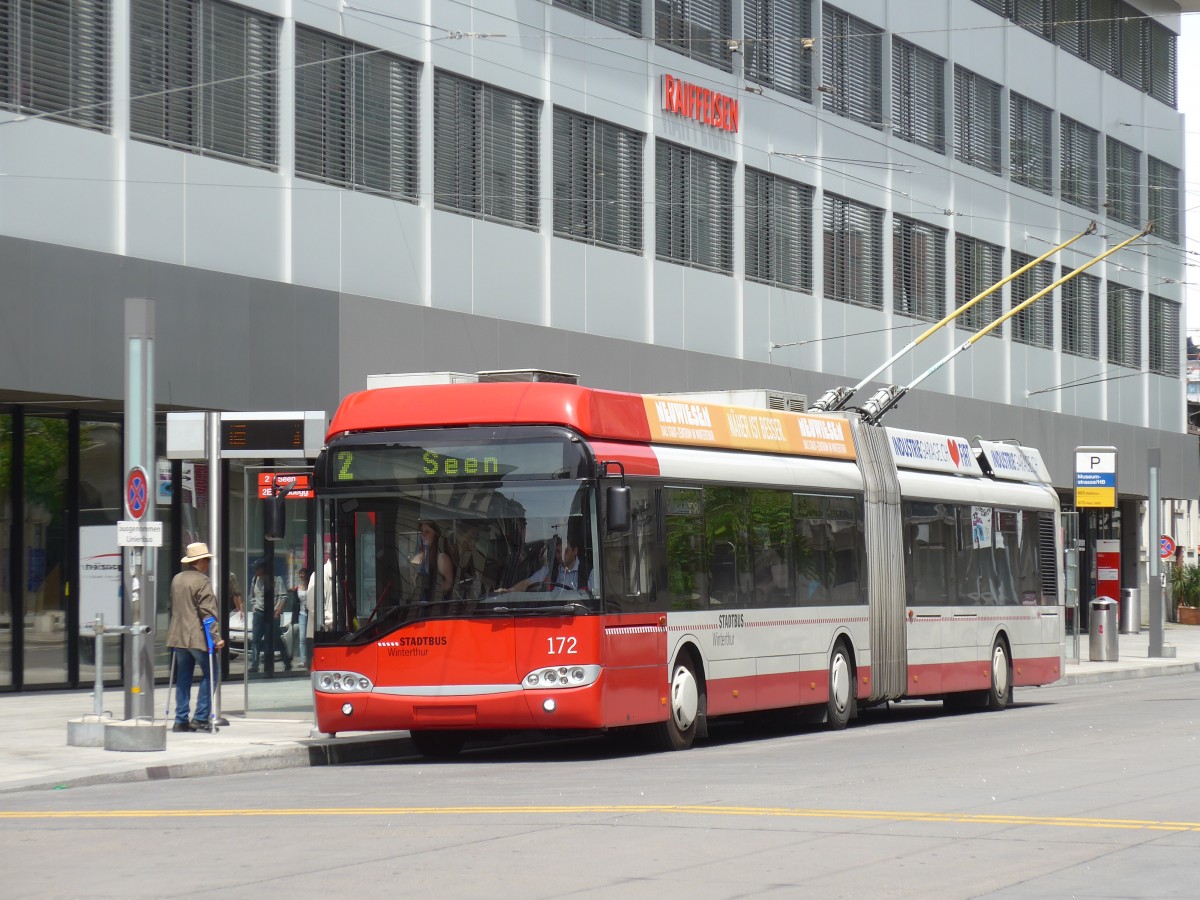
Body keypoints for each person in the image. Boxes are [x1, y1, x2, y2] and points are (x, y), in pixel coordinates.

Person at [167, 542, 225, 733]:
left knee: (183, 676)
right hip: (196, 637)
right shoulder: (202, 581)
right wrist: (216, 638)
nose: (208, 563)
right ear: (200, 561)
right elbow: (207, 613)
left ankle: (180, 719)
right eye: (207, 560)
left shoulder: (177, 579)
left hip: (178, 636)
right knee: (212, 673)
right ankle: (200, 718)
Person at [249, 560, 292, 673]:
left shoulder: (276, 580)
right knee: (255, 639)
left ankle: (286, 661)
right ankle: (254, 664)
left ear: (262, 569)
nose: (255, 571)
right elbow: (252, 596)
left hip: (272, 613)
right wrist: (254, 607)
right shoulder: (254, 580)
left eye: (256, 568)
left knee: (275, 639)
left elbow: (283, 597)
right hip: (258, 613)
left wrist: (277, 611)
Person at [411, 520, 455, 603]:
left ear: (435, 535)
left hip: (434, 603)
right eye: (422, 531)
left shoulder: (442, 558)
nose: (423, 535)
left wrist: (436, 587)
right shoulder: (419, 557)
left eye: (427, 532)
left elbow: (449, 584)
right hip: (417, 602)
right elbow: (412, 580)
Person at [296, 566, 312, 668]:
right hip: (302, 614)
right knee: (302, 638)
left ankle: (310, 659)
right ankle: (303, 660)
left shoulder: (311, 585)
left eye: (303, 574)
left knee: (309, 637)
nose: (302, 576)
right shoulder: (298, 587)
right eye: (300, 574)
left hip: (310, 613)